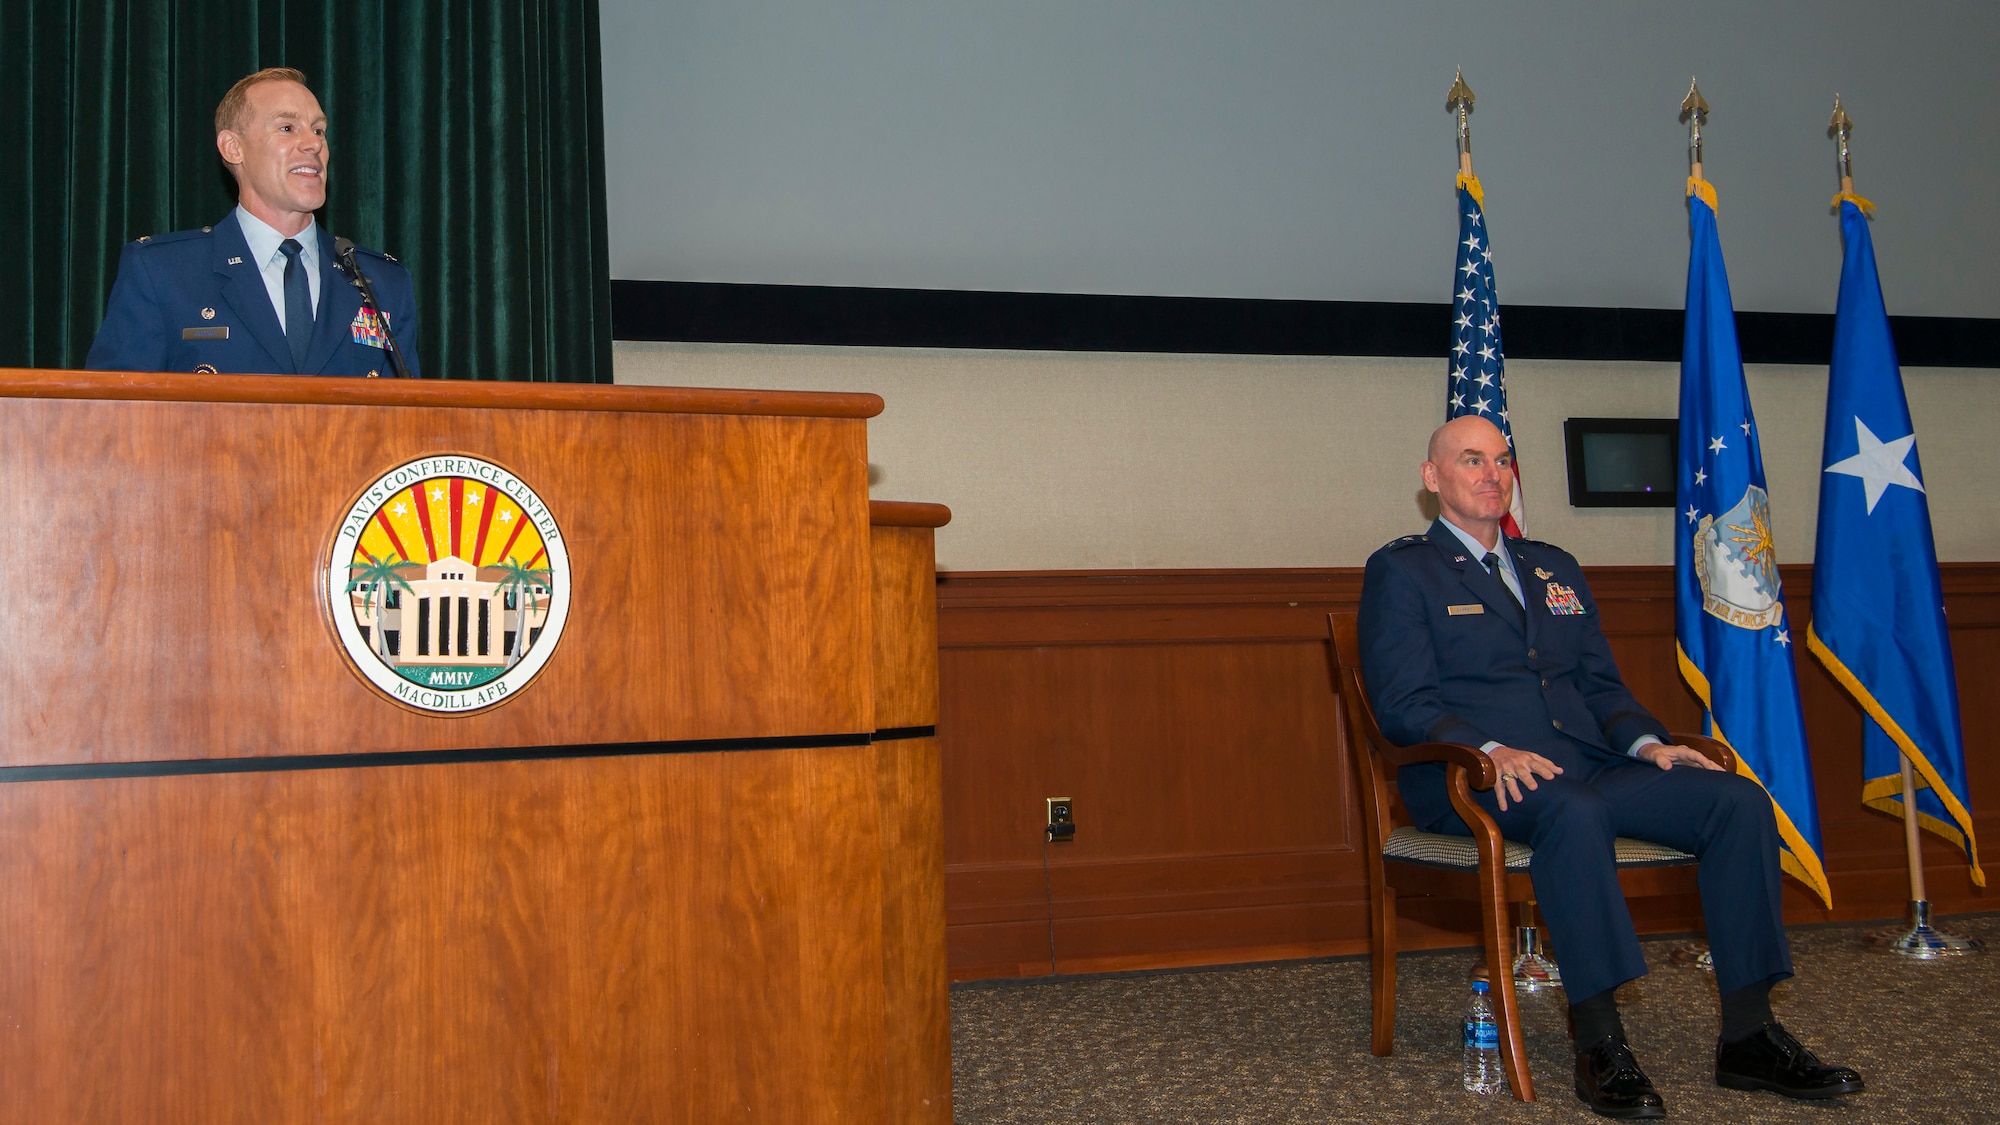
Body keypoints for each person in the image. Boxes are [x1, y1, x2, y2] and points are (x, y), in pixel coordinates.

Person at [1358, 415, 1862, 1119]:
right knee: (1575, 810)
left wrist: (1648, 744)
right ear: (1432, 476)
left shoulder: (1552, 566)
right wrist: (1490, 749)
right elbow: (1404, 702)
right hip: (1473, 779)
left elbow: (1601, 687)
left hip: (1587, 766)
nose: (1490, 473)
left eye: (1501, 459)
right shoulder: (1402, 570)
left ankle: (1751, 1033)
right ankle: (1601, 1045)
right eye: (1470, 460)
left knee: (1736, 801)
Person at [86, 68, 421, 378]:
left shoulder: (382, 284)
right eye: (287, 128)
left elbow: (408, 428)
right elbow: (113, 418)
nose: (314, 143)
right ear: (233, 148)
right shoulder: (162, 273)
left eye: (319, 130)